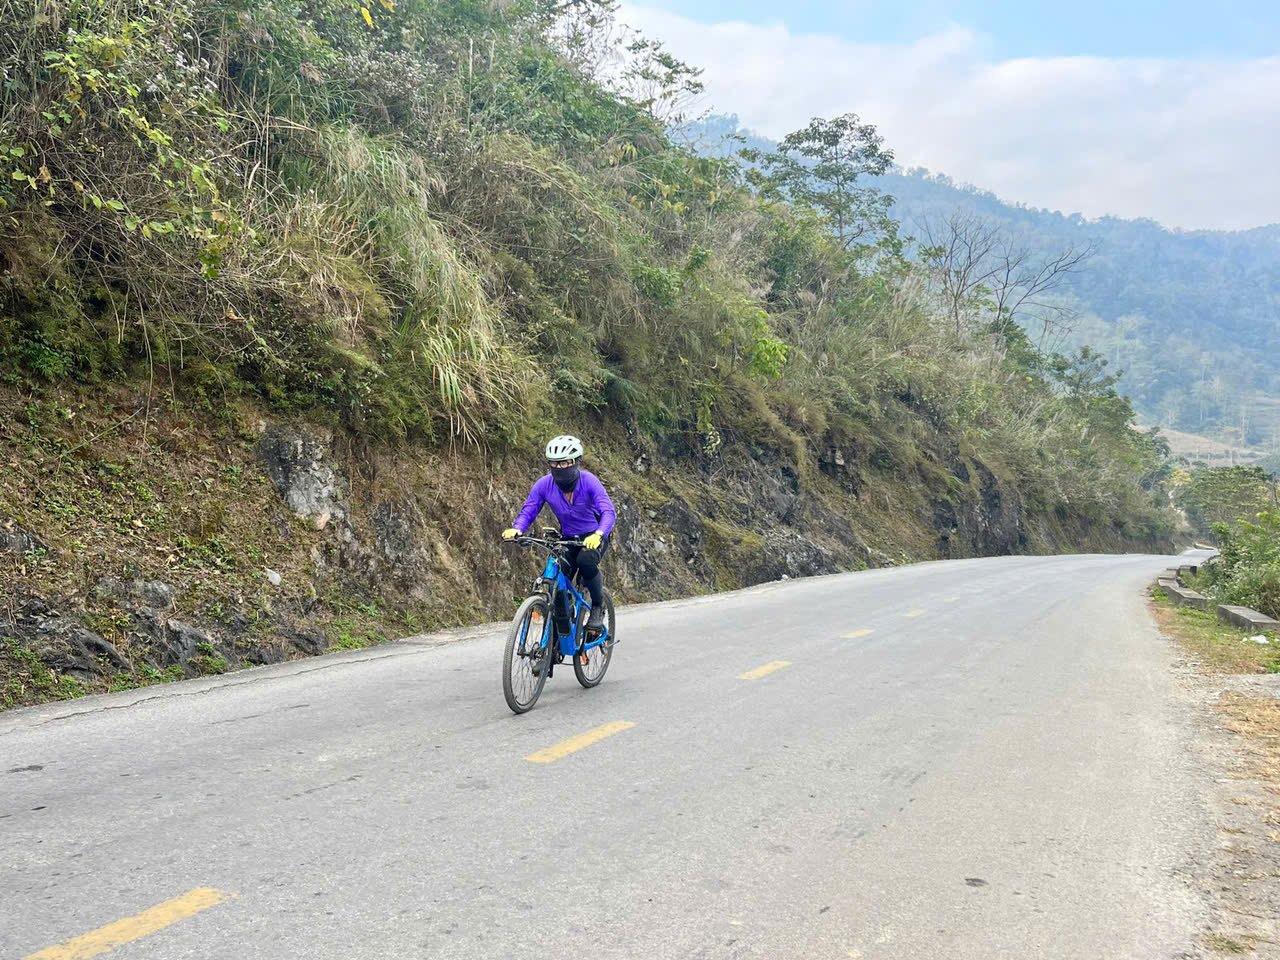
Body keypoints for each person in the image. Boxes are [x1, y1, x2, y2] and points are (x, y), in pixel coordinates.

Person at [503, 435, 616, 632]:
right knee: (557, 575)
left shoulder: (589, 481)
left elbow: (608, 511)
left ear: (576, 462)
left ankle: (598, 606)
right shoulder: (543, 485)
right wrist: (518, 528)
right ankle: (553, 643)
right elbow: (529, 509)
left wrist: (598, 534)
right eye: (555, 464)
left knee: (586, 560)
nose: (560, 468)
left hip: (593, 537)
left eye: (565, 463)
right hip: (568, 539)